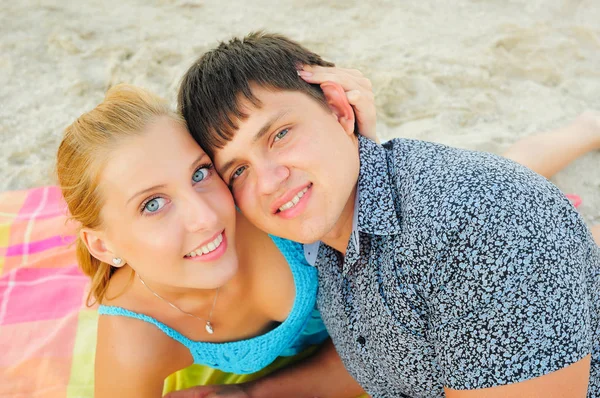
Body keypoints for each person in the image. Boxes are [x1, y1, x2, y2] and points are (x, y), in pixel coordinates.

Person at [176, 32, 600, 397]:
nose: (268, 181)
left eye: (280, 134)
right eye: (239, 170)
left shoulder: (481, 229)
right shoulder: (322, 236)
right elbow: (389, 356)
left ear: (340, 109)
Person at [56, 80, 376, 398]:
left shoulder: (264, 199)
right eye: (152, 204)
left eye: (199, 173)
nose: (207, 218)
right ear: (102, 245)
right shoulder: (137, 340)